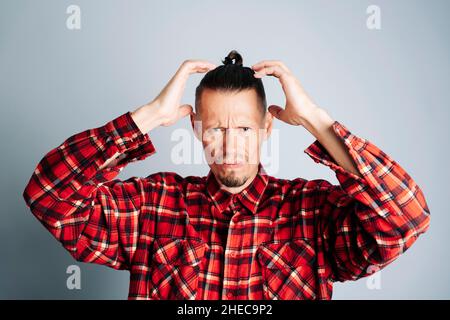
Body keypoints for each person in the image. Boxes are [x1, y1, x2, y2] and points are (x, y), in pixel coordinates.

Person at [22, 50, 430, 300]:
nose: (230, 143)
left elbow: (404, 221)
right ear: (197, 128)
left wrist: (315, 121)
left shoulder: (314, 211)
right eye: (216, 128)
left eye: (245, 129)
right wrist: (144, 119)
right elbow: (50, 197)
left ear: (267, 128)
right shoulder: (153, 203)